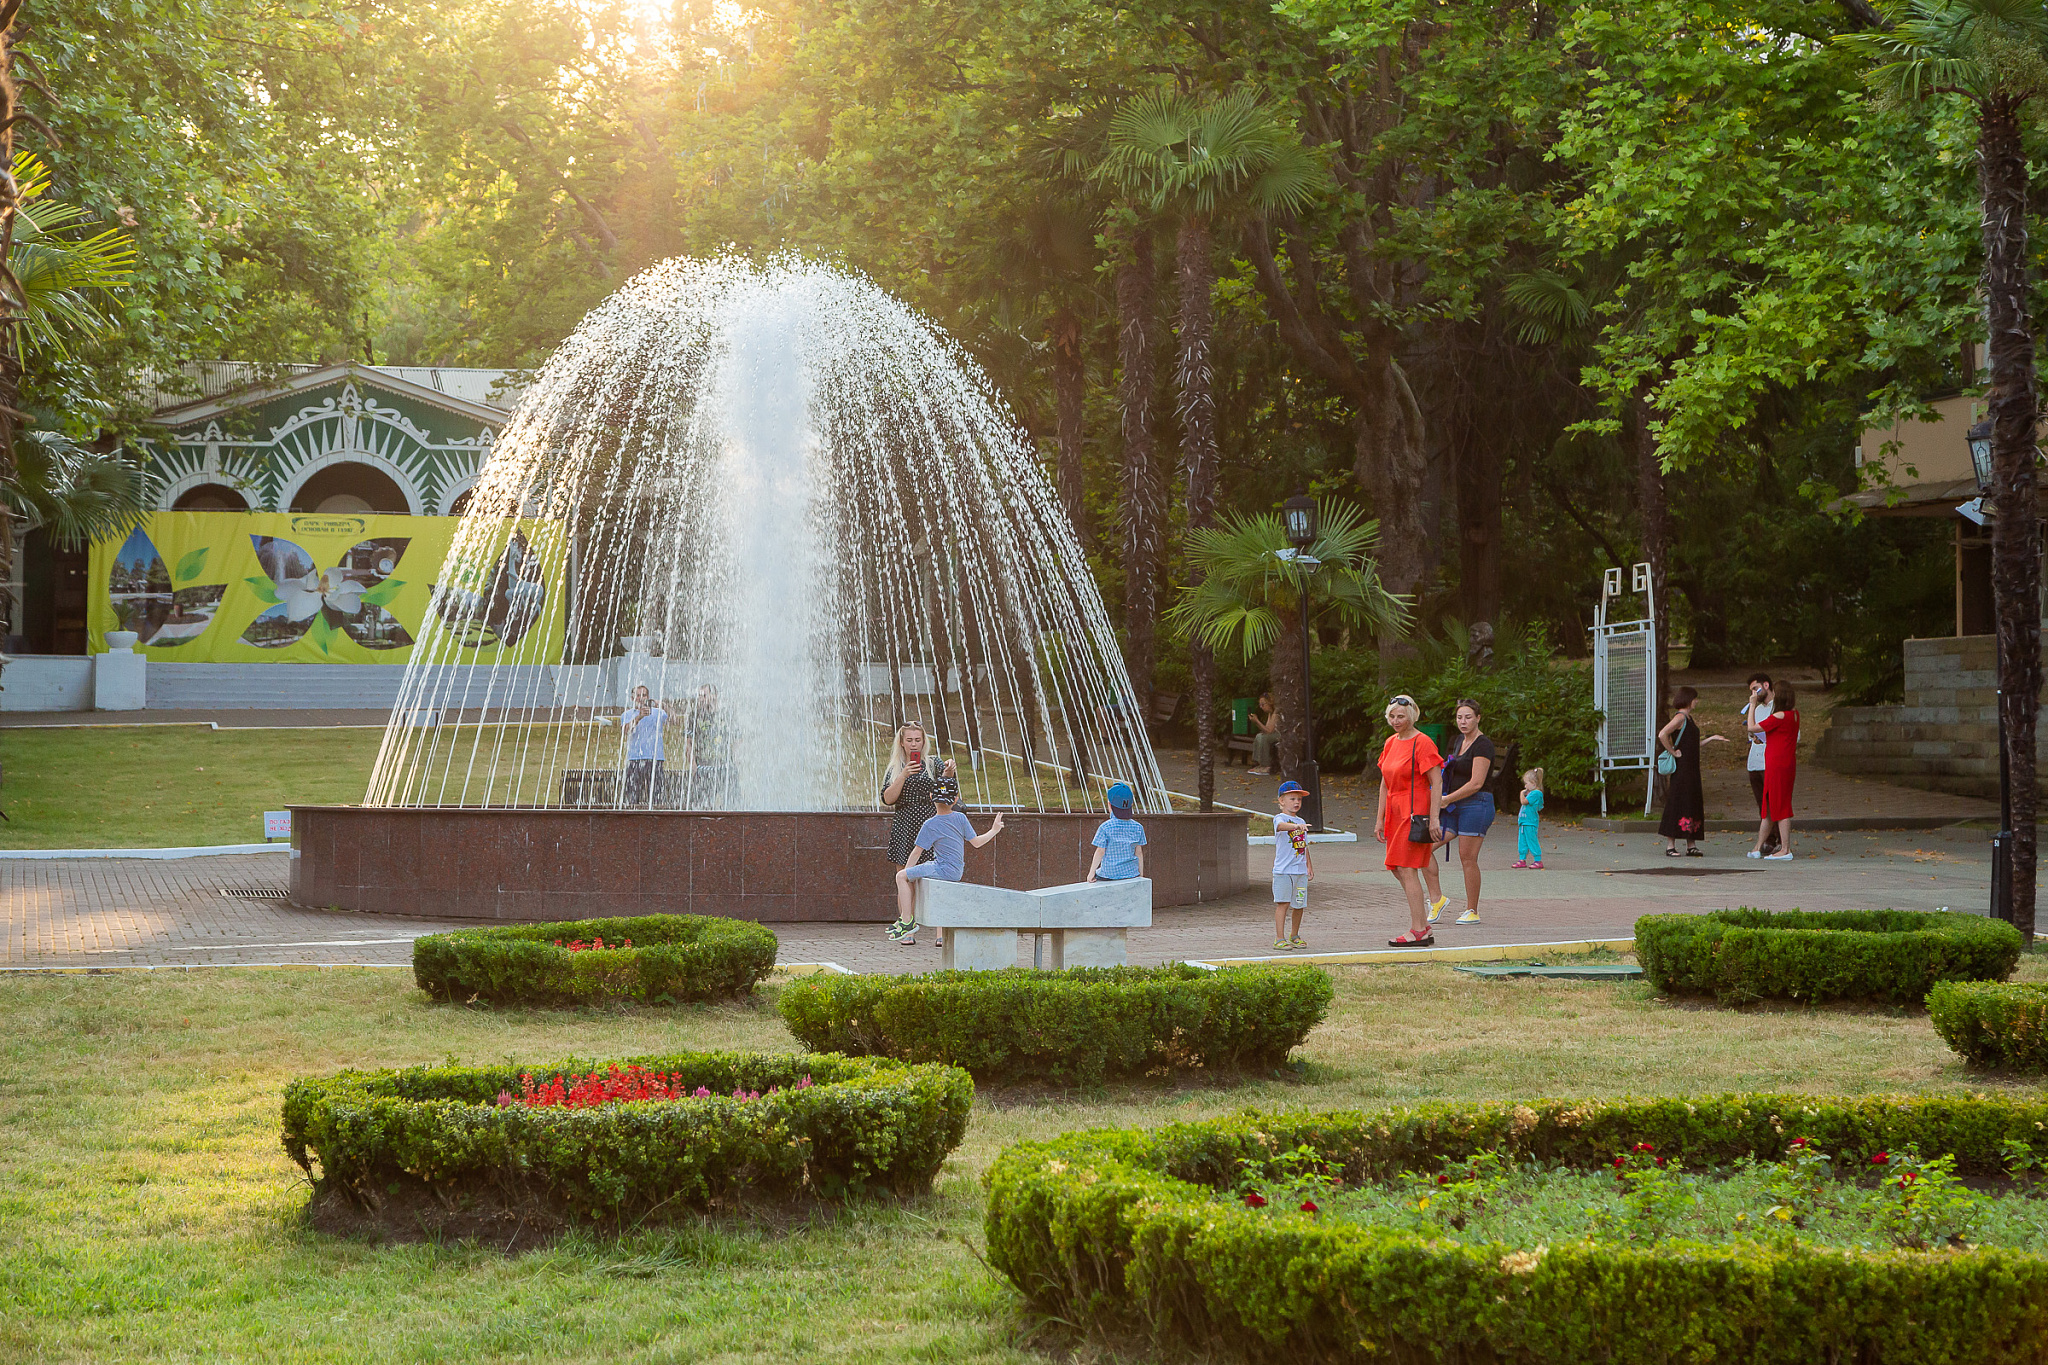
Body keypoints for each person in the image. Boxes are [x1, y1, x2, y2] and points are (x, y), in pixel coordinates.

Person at [888, 775, 1005, 946]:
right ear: (955, 799)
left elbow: (916, 853)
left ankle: (907, 921)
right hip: (955, 870)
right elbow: (977, 843)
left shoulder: (930, 824)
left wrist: (907, 874)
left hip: (942, 869)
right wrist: (994, 830)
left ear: (931, 797)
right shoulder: (960, 818)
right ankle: (909, 922)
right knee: (921, 869)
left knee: (900, 877)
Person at [1375, 694, 1444, 947]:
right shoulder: (1391, 742)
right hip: (1394, 808)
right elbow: (1384, 782)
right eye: (1392, 716)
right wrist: (1379, 818)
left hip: (1414, 809)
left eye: (1401, 716)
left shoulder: (1423, 742)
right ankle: (1421, 925)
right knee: (1395, 867)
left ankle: (1418, 929)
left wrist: (1434, 818)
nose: (1395, 720)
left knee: (1407, 867)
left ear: (1412, 715)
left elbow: (1436, 782)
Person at [882, 722, 957, 942]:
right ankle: (907, 928)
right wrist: (903, 775)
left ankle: (941, 933)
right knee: (906, 878)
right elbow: (888, 799)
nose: (914, 744)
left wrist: (948, 775)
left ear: (924, 741)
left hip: (933, 824)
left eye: (918, 739)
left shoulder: (934, 763)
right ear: (902, 743)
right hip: (905, 827)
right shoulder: (896, 767)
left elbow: (950, 797)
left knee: (938, 880)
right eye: (909, 740)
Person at [1433, 698, 1495, 925]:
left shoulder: (1483, 745)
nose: (1463, 721)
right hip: (1453, 805)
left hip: (1476, 804)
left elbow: (1476, 782)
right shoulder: (1459, 740)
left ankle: (1472, 909)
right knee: (1424, 847)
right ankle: (1436, 899)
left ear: (1478, 718)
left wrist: (1446, 798)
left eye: (1468, 717)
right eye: (1460, 717)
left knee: (1467, 857)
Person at [1657, 685, 1726, 856]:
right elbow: (1662, 734)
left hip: (1692, 768)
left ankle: (1691, 844)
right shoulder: (1680, 717)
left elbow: (1691, 743)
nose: (1696, 701)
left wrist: (1711, 739)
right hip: (1683, 769)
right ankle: (1670, 845)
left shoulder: (1689, 719)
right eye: (1694, 698)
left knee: (1692, 801)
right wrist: (1673, 751)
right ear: (1688, 699)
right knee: (1679, 800)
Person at [1746, 679, 1800, 861]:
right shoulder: (1793, 715)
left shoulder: (1780, 716)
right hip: (1781, 763)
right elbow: (1779, 736)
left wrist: (1752, 705)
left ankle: (1785, 849)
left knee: (1780, 806)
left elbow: (1752, 727)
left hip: (1778, 765)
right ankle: (1758, 847)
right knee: (1768, 807)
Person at [1271, 779, 1314, 950]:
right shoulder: (1279, 818)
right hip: (1283, 871)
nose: (1296, 802)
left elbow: (1304, 845)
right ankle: (1279, 938)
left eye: (1299, 799)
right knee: (1283, 903)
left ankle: (1294, 935)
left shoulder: (1301, 820)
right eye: (1292, 799)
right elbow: (1281, 826)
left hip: (1300, 871)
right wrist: (1295, 826)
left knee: (1299, 904)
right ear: (1281, 801)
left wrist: (1309, 866)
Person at [1740, 671, 1779, 855]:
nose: (1753, 694)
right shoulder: (1755, 707)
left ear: (1766, 685)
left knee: (1774, 803)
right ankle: (1766, 838)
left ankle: (1774, 839)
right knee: (1761, 804)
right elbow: (1750, 729)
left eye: (1756, 688)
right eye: (1751, 690)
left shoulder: (1777, 707)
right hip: (1754, 761)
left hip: (1770, 761)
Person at [682, 683, 732, 809]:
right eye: (699, 696)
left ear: (714, 696)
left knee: (731, 803)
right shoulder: (695, 715)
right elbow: (688, 742)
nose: (700, 699)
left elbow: (737, 740)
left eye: (704, 696)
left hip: (723, 768)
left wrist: (735, 761)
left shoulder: (726, 714)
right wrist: (692, 763)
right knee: (700, 806)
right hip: (703, 768)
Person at [620, 684, 670, 807]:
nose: (641, 698)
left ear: (648, 697)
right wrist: (639, 717)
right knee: (632, 796)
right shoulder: (627, 714)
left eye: (644, 695)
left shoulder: (658, 713)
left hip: (655, 759)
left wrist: (664, 705)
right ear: (632, 698)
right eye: (638, 695)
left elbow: (674, 720)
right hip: (634, 760)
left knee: (656, 795)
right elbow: (625, 731)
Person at [1088, 782, 1147, 882]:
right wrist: (1140, 874)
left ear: (1109, 805)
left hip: (1108, 875)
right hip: (1131, 873)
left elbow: (1100, 851)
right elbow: (1139, 852)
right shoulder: (1138, 827)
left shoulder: (1105, 827)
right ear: (1131, 805)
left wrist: (1091, 873)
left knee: (1099, 874)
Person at [1514, 767, 1546, 869]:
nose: (1525, 786)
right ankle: (1522, 859)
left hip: (1530, 822)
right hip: (1524, 822)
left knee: (1531, 840)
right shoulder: (1531, 793)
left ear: (1533, 783)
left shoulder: (1536, 793)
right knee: (1522, 841)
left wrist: (1521, 794)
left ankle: (1537, 859)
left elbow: (1524, 802)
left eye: (1526, 783)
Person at [1247, 693, 1281, 775]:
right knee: (1259, 736)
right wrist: (1256, 722)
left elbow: (1269, 731)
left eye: (1263, 704)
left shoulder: (1276, 712)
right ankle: (1258, 762)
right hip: (1275, 734)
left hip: (1282, 735)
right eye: (1260, 705)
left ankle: (1267, 765)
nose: (1261, 707)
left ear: (1270, 702)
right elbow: (1266, 729)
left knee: (1265, 738)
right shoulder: (1270, 713)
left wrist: (1257, 721)